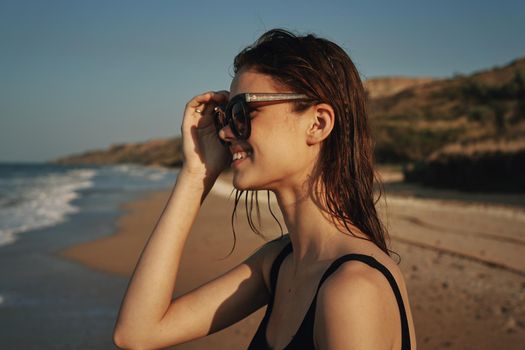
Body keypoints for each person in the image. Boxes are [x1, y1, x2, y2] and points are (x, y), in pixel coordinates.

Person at [113, 28, 417, 350]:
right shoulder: (282, 262)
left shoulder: (353, 290)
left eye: (243, 112)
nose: (227, 132)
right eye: (225, 116)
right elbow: (137, 332)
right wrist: (195, 173)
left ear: (318, 124)